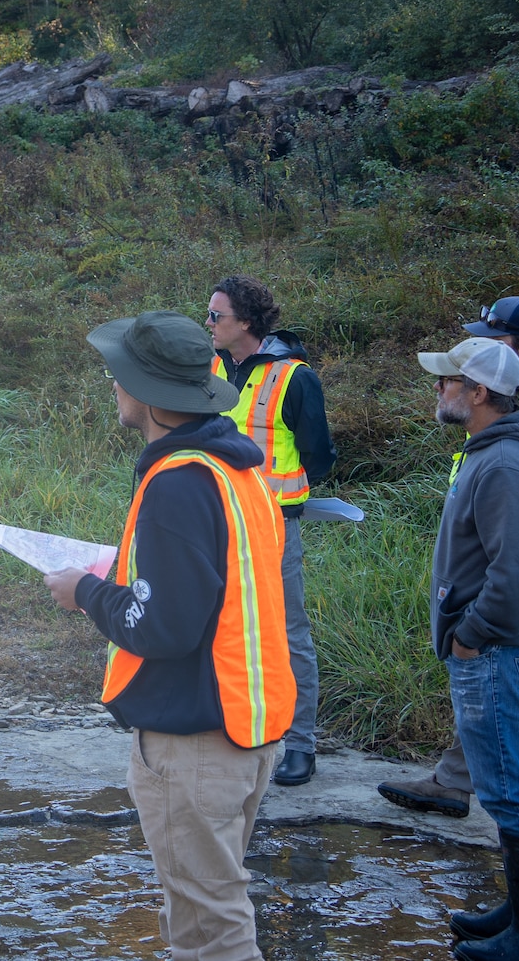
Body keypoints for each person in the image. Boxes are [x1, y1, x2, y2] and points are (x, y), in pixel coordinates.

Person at [46, 311, 293, 961]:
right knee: (201, 909)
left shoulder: (178, 485)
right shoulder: (238, 471)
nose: (113, 385)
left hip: (197, 744)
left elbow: (164, 626)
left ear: (148, 394)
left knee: (212, 931)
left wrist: (87, 592)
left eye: (118, 375)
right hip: (245, 726)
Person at [379, 296, 519, 849]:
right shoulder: (495, 410)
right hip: (506, 580)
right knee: (492, 684)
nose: (481, 341)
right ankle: (457, 782)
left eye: (494, 335)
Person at [403, 335, 519, 959]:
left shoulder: (504, 465)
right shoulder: (494, 452)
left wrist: (471, 637)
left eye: (448, 381)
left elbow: (517, 579)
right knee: (509, 782)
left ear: (478, 393)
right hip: (500, 650)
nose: (438, 389)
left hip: (499, 651)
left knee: (508, 788)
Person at [207, 276, 335, 788]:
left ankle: (299, 745)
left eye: (217, 316)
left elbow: (319, 457)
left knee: (288, 635)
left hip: (274, 525)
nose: (209, 323)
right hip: (214, 519)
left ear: (247, 322)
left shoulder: (296, 378)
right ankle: (230, 727)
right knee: (219, 626)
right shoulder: (209, 368)